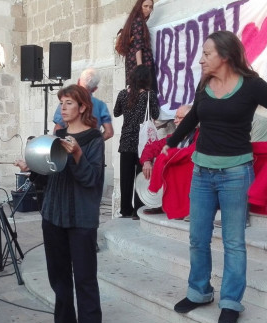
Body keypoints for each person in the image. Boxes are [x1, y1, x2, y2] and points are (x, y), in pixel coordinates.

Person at [163, 31, 267, 323]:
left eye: (206, 53)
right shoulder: (204, 84)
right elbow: (192, 119)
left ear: (225, 56)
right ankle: (199, 292)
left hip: (236, 175)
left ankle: (230, 301)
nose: (200, 59)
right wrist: (171, 142)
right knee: (197, 238)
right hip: (201, 173)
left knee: (234, 242)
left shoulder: (251, 86)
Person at [16, 85, 105, 323]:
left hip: (81, 218)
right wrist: (32, 167)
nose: (63, 108)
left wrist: (77, 155)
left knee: (85, 279)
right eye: (61, 103)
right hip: (53, 215)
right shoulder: (55, 137)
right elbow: (49, 176)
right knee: (58, 277)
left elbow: (92, 181)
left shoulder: (93, 139)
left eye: (69, 103)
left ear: (82, 108)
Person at [114, 64, 159, 219]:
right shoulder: (149, 95)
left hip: (126, 141)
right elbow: (156, 113)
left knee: (125, 178)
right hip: (143, 142)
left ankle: (125, 209)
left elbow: (116, 112)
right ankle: (138, 211)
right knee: (142, 176)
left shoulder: (122, 94)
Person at [139, 104, 194, 215]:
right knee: (160, 163)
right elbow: (152, 147)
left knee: (168, 163)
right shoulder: (173, 137)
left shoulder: (199, 136)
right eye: (175, 117)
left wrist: (167, 157)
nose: (175, 121)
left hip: (191, 175)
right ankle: (161, 202)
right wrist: (146, 161)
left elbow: (191, 152)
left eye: (179, 118)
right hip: (175, 177)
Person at [53, 68, 114, 140]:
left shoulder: (66, 101)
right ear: (95, 89)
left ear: (78, 82)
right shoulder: (101, 105)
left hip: (69, 147)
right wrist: (94, 143)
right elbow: (109, 132)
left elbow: (58, 128)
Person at [115, 0, 156, 90]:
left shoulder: (133, 21)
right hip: (140, 64)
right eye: (145, 6)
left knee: (134, 94)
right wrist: (140, 67)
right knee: (143, 93)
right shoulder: (138, 21)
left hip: (132, 64)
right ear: (139, 6)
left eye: (150, 7)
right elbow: (138, 46)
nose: (148, 9)